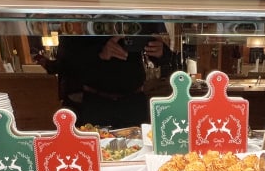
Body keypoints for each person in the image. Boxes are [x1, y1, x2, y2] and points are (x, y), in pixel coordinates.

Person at [35, 25, 176, 129]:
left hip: (134, 103)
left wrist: (161, 51)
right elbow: (65, 63)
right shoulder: (80, 15)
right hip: (97, 104)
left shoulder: (135, 12)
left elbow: (163, 55)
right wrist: (100, 53)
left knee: (141, 152)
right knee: (99, 154)